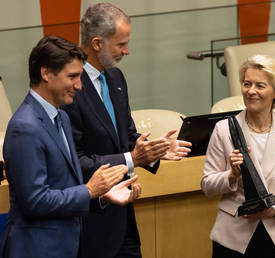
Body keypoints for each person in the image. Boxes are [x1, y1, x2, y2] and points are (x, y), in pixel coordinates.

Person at [62, 3, 191, 258]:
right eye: (121, 44)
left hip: (125, 219)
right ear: (97, 43)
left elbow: (127, 136)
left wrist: (156, 150)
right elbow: (74, 161)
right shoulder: (69, 88)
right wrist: (132, 158)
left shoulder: (116, 78)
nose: (127, 51)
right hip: (91, 225)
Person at [0, 36, 140, 258]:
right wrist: (89, 190)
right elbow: (35, 201)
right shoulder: (24, 127)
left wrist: (101, 196)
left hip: (69, 246)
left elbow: (65, 185)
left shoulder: (62, 118)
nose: (80, 85)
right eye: (72, 76)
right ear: (46, 74)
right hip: (38, 250)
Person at [201, 54, 275, 258]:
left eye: (260, 86)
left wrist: (273, 209)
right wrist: (231, 176)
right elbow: (207, 185)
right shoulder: (224, 129)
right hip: (234, 236)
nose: (251, 91)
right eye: (246, 84)